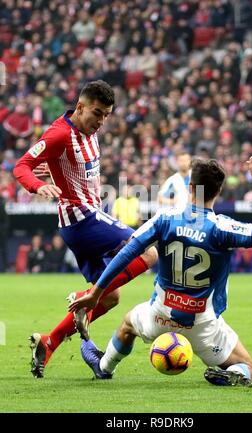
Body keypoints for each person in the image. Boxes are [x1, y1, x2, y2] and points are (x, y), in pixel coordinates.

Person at [69, 152, 252, 387]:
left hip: (159, 315)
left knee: (128, 324)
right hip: (202, 325)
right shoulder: (222, 228)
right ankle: (235, 374)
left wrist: (96, 293)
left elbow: (128, 252)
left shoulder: (165, 219)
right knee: (248, 368)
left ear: (190, 187)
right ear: (218, 191)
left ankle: (104, 367)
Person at [13, 80, 157, 378]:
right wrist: (39, 185)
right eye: (97, 113)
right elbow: (21, 166)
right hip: (82, 220)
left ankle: (48, 343)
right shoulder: (59, 134)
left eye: (106, 115)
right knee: (149, 251)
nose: (102, 121)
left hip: (86, 219)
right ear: (80, 107)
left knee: (111, 297)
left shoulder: (88, 130)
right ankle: (87, 295)